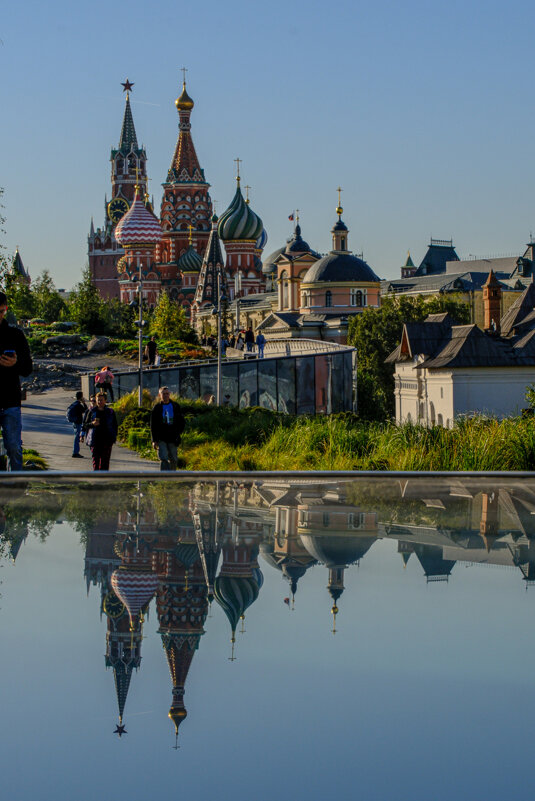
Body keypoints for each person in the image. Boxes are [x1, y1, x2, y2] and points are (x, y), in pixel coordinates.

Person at [0, 291, 33, 471]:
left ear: (5, 310)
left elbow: (28, 368)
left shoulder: (15, 335)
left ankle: (17, 488)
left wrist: (15, 363)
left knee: (14, 447)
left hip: (10, 401)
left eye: (1, 311)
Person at [150, 386, 186, 471]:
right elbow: (153, 425)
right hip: (161, 437)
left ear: (169, 394)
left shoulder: (175, 406)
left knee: (173, 458)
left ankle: (172, 478)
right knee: (164, 457)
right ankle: (164, 477)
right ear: (160, 395)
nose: (166, 395)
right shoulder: (157, 408)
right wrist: (154, 440)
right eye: (163, 394)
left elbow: (182, 421)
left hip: (173, 437)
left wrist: (178, 432)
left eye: (167, 394)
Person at [85, 392, 118, 471]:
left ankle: (104, 479)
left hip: (107, 440)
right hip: (95, 440)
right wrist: (92, 424)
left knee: (105, 462)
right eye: (98, 400)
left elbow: (115, 425)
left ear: (105, 400)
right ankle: (96, 479)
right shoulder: (92, 411)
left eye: (101, 400)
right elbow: (85, 424)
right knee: (95, 461)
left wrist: (113, 437)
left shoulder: (110, 412)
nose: (99, 402)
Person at [67, 390, 87, 459]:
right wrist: (84, 403)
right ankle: (75, 452)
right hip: (78, 422)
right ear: (81, 397)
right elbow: (86, 410)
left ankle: (75, 452)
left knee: (76, 436)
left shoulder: (74, 404)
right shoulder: (78, 405)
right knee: (77, 437)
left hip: (74, 422)